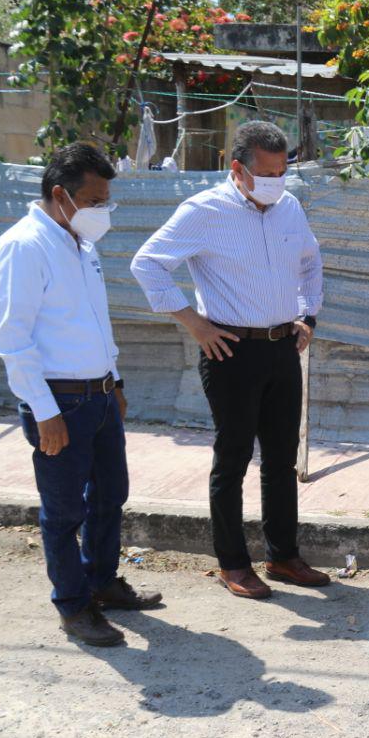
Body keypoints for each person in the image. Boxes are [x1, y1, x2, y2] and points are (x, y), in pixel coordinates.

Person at [130, 121, 326, 599]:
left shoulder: (289, 207)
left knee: (281, 462)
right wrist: (195, 323)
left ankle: (283, 555)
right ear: (236, 169)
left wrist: (307, 316)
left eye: (283, 172)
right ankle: (234, 564)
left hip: (283, 348)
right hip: (231, 351)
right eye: (267, 173)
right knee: (233, 459)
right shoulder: (204, 211)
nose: (277, 182)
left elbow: (309, 261)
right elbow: (147, 263)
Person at [0, 143, 161, 647]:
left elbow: (94, 321)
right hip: (59, 402)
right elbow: (12, 339)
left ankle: (102, 580)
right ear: (60, 194)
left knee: (111, 496)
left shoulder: (81, 245)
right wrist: (44, 412)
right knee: (64, 513)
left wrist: (116, 382)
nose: (101, 211)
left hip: (101, 398)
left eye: (106, 200)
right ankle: (73, 604)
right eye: (93, 200)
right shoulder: (24, 246)